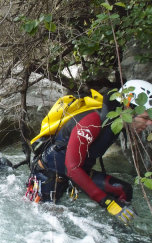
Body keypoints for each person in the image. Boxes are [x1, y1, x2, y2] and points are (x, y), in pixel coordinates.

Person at [30, 80, 152, 225]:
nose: (149, 123)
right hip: (49, 176)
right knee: (51, 223)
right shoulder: (92, 121)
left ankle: (120, 234)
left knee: (123, 190)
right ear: (128, 108)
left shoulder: (116, 122)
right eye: (145, 118)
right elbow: (73, 168)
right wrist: (108, 203)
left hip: (74, 173)